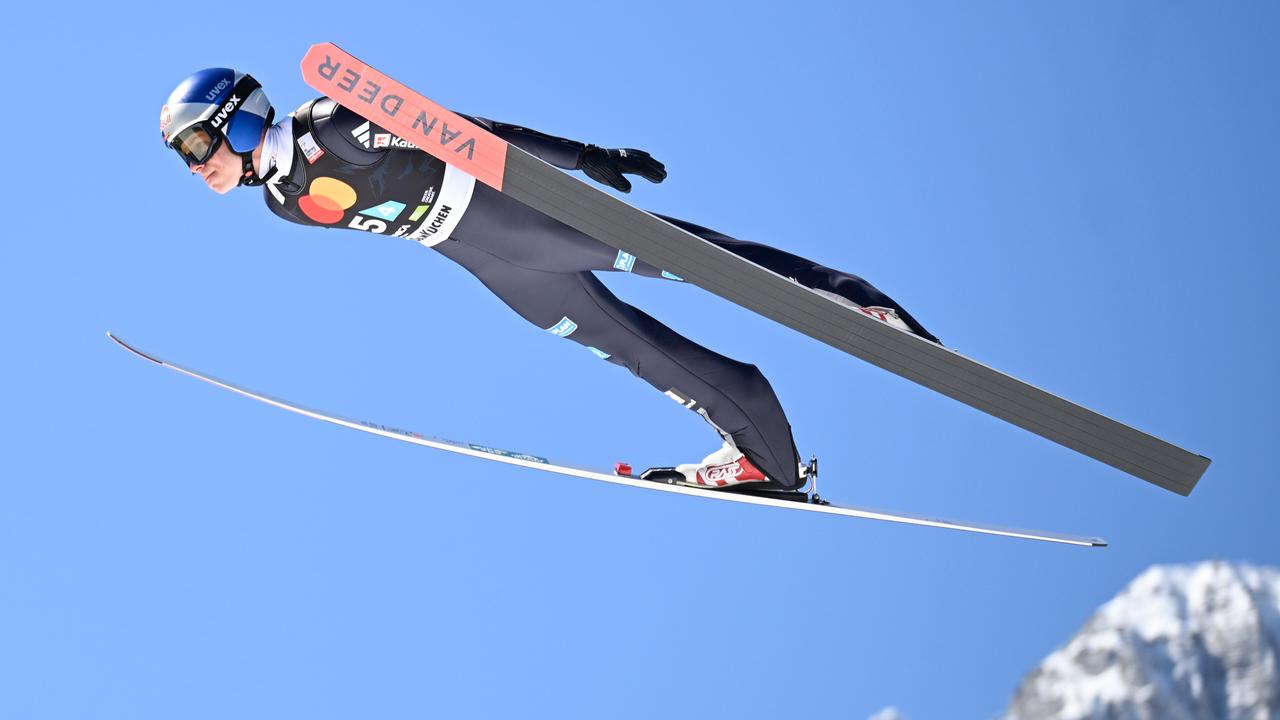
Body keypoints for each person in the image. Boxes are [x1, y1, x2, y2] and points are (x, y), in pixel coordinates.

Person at [160, 68, 939, 492]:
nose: (196, 166)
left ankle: (856, 304)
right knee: (635, 350)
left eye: (198, 143)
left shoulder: (330, 122)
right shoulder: (281, 204)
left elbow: (469, 134)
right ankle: (765, 455)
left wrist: (583, 158)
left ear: (236, 115)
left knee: (700, 261)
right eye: (185, 155)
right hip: (487, 261)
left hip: (515, 212)